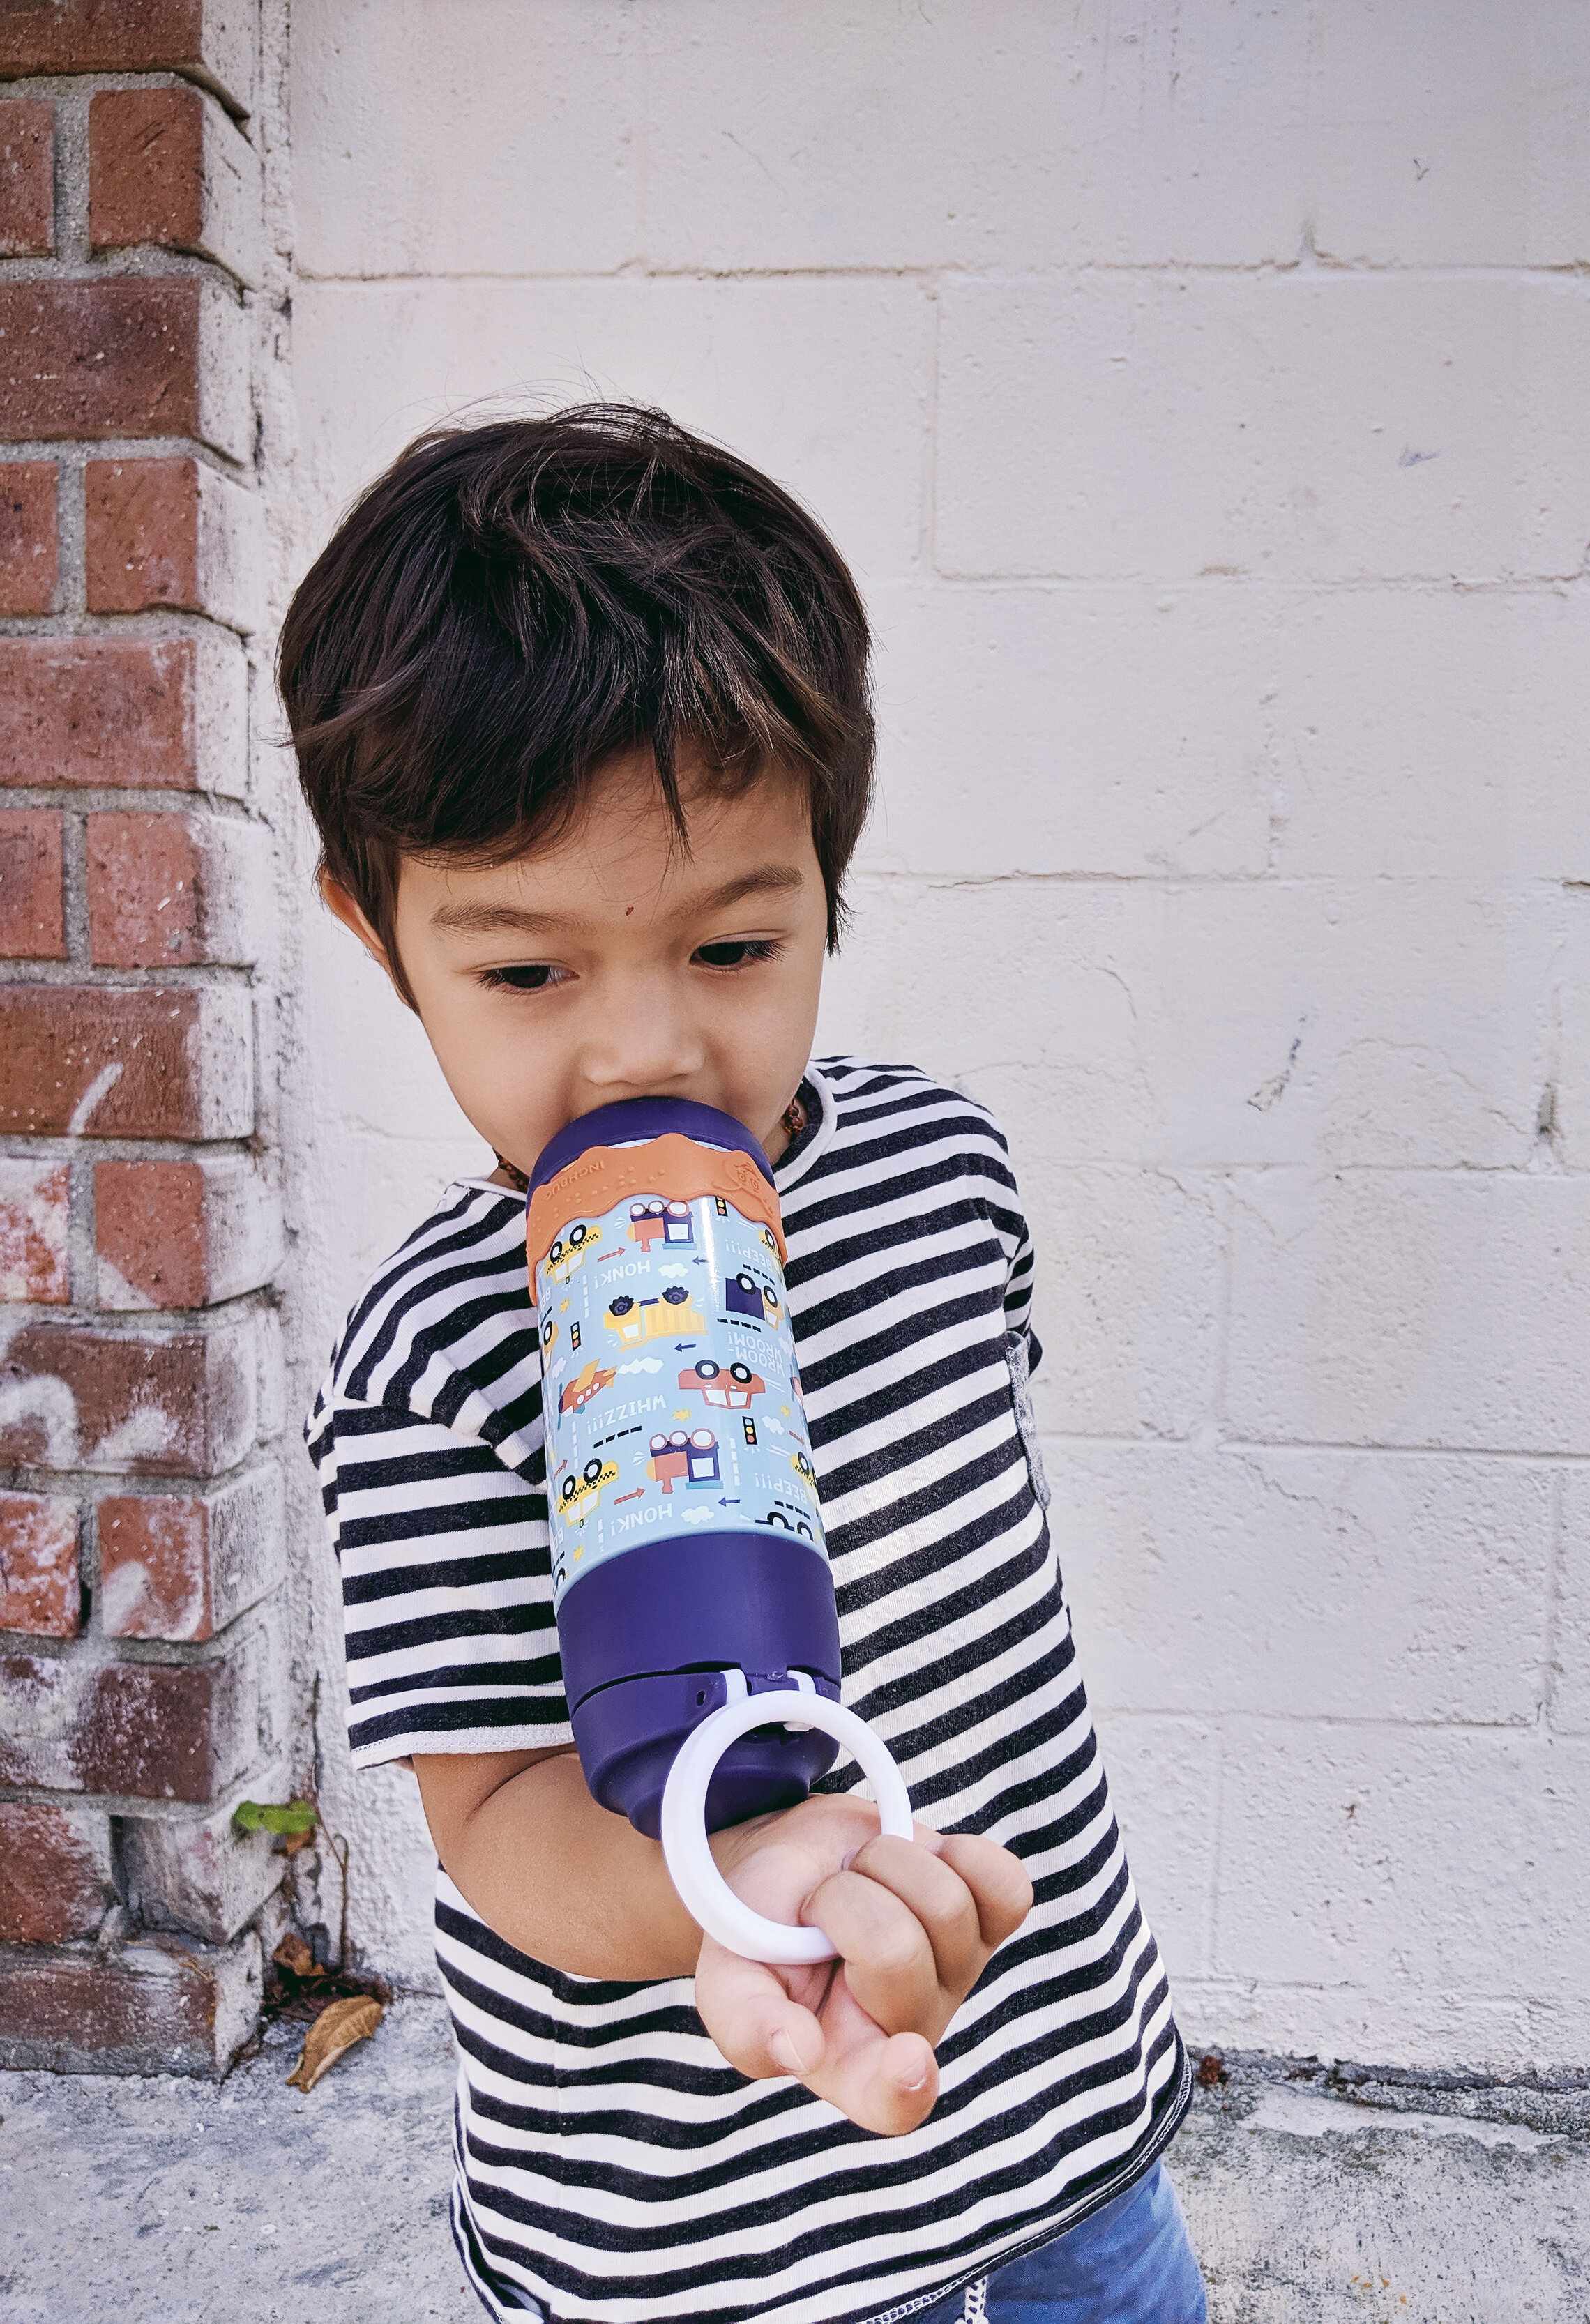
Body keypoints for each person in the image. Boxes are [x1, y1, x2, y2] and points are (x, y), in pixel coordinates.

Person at [284, 405, 1205, 2324]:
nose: (641, 1052)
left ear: (826, 895)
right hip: (701, 2230)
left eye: (733, 947)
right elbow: (505, 1833)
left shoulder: (940, 1173)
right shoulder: (433, 1359)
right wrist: (745, 1877)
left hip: (1038, 2099)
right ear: (379, 938)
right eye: (525, 973)